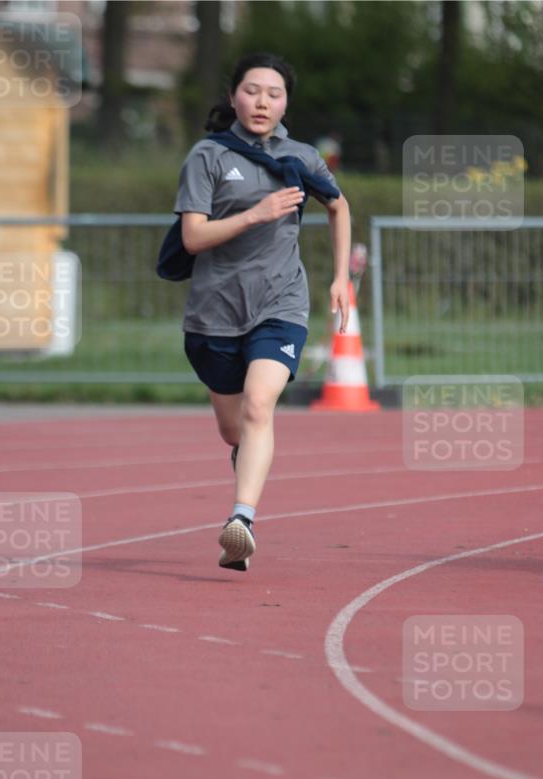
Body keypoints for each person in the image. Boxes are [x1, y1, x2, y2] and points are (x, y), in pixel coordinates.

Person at [173, 52, 351, 571]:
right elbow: (192, 236)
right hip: (214, 313)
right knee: (236, 430)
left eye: (274, 94)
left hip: (281, 305)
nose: (262, 102)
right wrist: (256, 213)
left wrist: (340, 277)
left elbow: (338, 205)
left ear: (285, 102)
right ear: (233, 97)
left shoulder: (301, 156)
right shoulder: (206, 157)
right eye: (252, 91)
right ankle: (244, 459)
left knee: (259, 405)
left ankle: (241, 521)